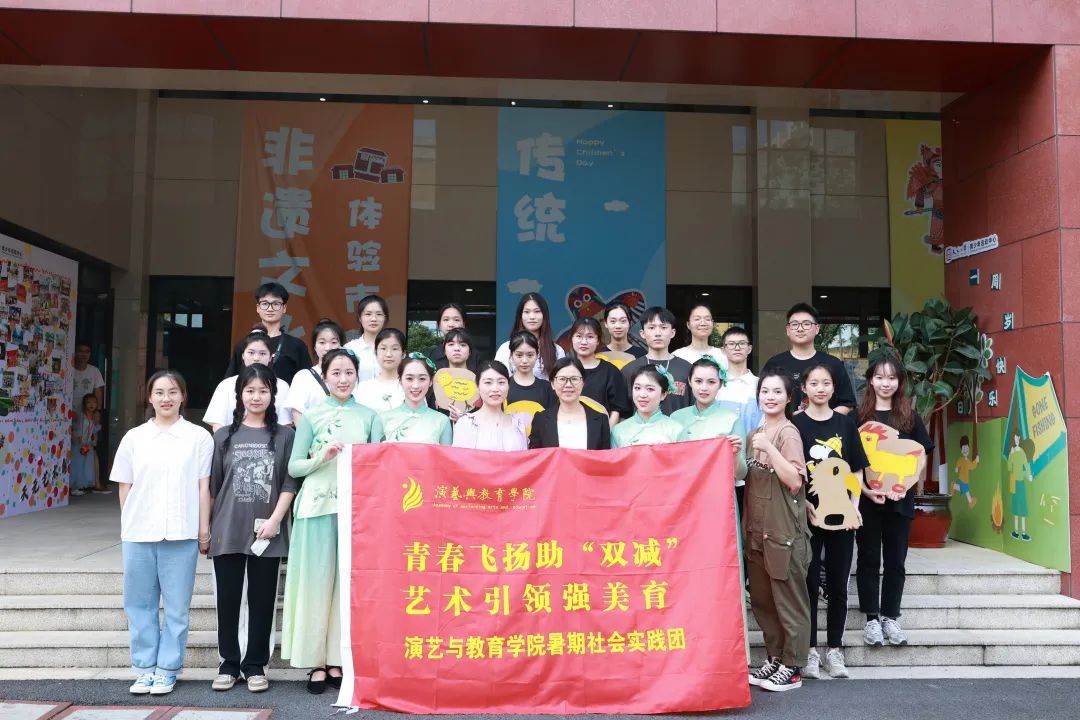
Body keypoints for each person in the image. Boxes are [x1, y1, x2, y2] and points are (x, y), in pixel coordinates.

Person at [282, 348, 384, 695]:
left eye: (349, 373)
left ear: (357, 376)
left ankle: (338, 658)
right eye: (336, 373)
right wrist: (321, 458)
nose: (343, 379)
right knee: (315, 585)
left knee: (346, 586)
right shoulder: (311, 417)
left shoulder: (370, 417)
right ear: (324, 377)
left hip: (355, 511)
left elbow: (379, 463)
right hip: (315, 508)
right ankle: (316, 661)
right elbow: (294, 466)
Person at [110, 370, 214, 696]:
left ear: (183, 396)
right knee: (139, 604)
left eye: (172, 392)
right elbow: (124, 486)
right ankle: (144, 668)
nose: (166, 398)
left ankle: (168, 669)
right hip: (139, 533)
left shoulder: (199, 438)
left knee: (177, 608)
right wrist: (130, 524)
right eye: (159, 392)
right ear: (149, 397)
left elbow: (204, 488)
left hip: (181, 533)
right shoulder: (134, 438)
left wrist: (203, 530)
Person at [208, 364, 297, 693]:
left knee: (262, 602)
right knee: (228, 601)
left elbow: (290, 482)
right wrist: (206, 530)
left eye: (263, 390)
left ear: (273, 394)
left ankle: (256, 665)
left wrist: (275, 520)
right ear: (239, 394)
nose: (256, 397)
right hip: (228, 530)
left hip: (268, 532)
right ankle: (228, 664)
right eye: (250, 390)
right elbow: (214, 487)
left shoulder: (285, 436)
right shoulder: (223, 437)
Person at [791, 364, 868, 680]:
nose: (820, 388)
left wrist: (854, 506)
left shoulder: (845, 424)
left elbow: (857, 469)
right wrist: (805, 504)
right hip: (808, 517)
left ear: (834, 388)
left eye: (826, 383)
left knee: (838, 584)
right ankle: (809, 652)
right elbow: (794, 473)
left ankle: (834, 650)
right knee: (808, 584)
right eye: (814, 383)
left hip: (841, 516)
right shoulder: (795, 425)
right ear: (804, 388)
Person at [855, 354, 932, 649]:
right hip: (868, 501)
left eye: (891, 378)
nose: (885, 383)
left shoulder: (909, 416)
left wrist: (906, 485)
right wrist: (864, 490)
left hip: (900, 500)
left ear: (899, 382)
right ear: (870, 380)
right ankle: (871, 619)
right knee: (868, 559)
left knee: (896, 561)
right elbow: (852, 462)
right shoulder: (859, 417)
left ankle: (890, 617)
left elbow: (920, 456)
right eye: (879, 377)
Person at [745, 369, 811, 693]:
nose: (769, 397)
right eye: (765, 391)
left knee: (789, 601)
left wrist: (769, 449)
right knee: (763, 600)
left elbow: (795, 481)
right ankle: (774, 657)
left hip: (784, 533)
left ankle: (793, 665)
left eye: (777, 392)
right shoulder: (754, 434)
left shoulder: (788, 433)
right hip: (758, 531)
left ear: (788, 398)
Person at [671, 357, 747, 502]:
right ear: (689, 381)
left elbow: (741, 474)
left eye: (711, 382)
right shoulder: (676, 418)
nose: (704, 388)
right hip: (683, 496)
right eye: (698, 381)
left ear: (720, 384)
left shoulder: (732, 419)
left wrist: (736, 454)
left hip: (718, 497)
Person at [761, 303, 856, 414]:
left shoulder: (833, 363)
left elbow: (847, 404)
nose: (800, 329)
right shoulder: (775, 364)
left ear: (817, 329)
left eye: (806, 324)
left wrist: (820, 418)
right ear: (788, 330)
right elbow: (763, 400)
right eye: (795, 324)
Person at [205, 329, 292, 432]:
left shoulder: (282, 386)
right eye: (251, 353)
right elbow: (218, 425)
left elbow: (286, 426)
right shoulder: (226, 385)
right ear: (243, 355)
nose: (256, 358)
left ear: (270, 356)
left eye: (262, 353)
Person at [225, 282, 311, 384]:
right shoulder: (244, 344)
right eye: (265, 304)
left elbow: (307, 383)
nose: (270, 309)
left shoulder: (297, 346)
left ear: (284, 308)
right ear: (258, 308)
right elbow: (230, 382)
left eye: (276, 304)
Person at [620, 307, 692, 416]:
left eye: (663, 327)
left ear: (672, 333)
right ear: (642, 333)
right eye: (651, 327)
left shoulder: (687, 369)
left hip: (679, 427)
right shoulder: (629, 370)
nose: (658, 333)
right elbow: (623, 413)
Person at [529, 357, 611, 450]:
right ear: (552, 384)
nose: (568, 385)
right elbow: (535, 456)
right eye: (562, 379)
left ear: (583, 383)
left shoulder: (601, 420)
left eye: (574, 379)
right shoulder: (541, 420)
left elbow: (605, 457)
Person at [453, 360, 529, 451]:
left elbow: (524, 458)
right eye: (488, 382)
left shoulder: (518, 425)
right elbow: (460, 458)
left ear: (508, 386)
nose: (495, 389)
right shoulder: (466, 423)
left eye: (501, 382)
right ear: (477, 386)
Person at [570, 317, 631, 426]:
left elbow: (617, 410)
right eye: (579, 336)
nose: (584, 342)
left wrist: (606, 432)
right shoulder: (564, 370)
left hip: (603, 431)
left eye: (590, 337)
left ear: (598, 340)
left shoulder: (610, 371)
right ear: (572, 338)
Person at [380, 353, 454, 444]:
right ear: (400, 381)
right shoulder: (383, 419)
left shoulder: (442, 421)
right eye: (409, 378)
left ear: (431, 381)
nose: (415, 385)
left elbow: (446, 453)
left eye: (422, 379)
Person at [283, 319, 345, 424]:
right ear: (315, 347)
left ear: (342, 346)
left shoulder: (350, 375)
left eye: (334, 342)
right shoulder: (303, 377)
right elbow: (297, 415)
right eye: (322, 342)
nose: (328, 348)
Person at [494, 292, 565, 381]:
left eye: (537, 311)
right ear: (520, 316)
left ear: (544, 315)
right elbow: (498, 380)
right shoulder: (505, 348)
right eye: (527, 312)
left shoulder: (557, 351)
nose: (532, 317)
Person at [611, 365, 683, 448]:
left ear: (663, 394)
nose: (642, 395)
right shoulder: (618, 430)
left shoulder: (676, 430)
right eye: (637, 388)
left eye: (650, 389)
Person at [72, 341, 110, 493]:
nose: (83, 354)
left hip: (88, 417)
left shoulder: (94, 371)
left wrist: (97, 411)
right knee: (73, 450)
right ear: (75, 352)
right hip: (70, 416)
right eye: (80, 351)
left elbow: (98, 392)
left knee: (90, 449)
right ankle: (73, 484)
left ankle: (95, 483)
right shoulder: (68, 369)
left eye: (86, 351)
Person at [717, 326, 762, 433]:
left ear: (749, 349)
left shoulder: (760, 384)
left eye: (742, 343)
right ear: (723, 350)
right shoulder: (716, 384)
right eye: (731, 344)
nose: (737, 348)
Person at [506, 331, 557, 419]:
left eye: (530, 355)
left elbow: (552, 419)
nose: (524, 360)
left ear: (537, 355)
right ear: (511, 356)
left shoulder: (547, 388)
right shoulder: (503, 386)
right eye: (519, 355)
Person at [353, 328, 405, 412]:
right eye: (383, 348)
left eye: (394, 349)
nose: (388, 354)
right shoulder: (364, 388)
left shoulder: (412, 387)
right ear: (375, 352)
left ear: (403, 353)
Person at [342, 294, 388, 383]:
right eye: (368, 314)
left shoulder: (394, 348)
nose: (373, 319)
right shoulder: (349, 349)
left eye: (379, 314)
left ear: (385, 318)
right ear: (360, 318)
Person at [672, 304, 729, 368]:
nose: (703, 323)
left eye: (707, 319)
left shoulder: (722, 355)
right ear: (688, 324)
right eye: (697, 319)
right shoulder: (677, 356)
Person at [429, 303, 481, 372]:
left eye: (456, 320)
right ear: (439, 325)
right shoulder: (432, 355)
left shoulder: (475, 355)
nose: (451, 324)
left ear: (464, 324)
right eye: (446, 320)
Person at [70, 393, 101, 496]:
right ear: (84, 404)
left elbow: (94, 431)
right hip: (78, 444)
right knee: (77, 465)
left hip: (87, 445)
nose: (91, 405)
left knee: (85, 466)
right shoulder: (80, 416)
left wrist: (94, 440)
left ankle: (81, 486)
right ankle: (74, 487)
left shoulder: (94, 417)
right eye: (89, 402)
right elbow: (72, 427)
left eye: (94, 402)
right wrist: (74, 437)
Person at [1007, 433, 1033, 541]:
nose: (1016, 440)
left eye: (1017, 438)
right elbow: (1009, 468)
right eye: (1014, 438)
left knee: (1022, 506)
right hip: (1014, 483)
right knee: (1015, 507)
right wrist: (1010, 455)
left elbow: (1026, 465)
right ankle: (1016, 532)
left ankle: (1024, 532)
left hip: (1020, 482)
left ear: (1019, 438)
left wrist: (1029, 475)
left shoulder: (1022, 452)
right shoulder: (1012, 453)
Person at [953, 435, 979, 508]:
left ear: (969, 449)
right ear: (961, 450)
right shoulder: (962, 460)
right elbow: (960, 463)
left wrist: (976, 461)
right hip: (962, 479)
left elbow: (971, 466)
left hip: (964, 479)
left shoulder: (967, 460)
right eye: (964, 449)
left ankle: (954, 486)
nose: (965, 451)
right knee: (966, 491)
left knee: (963, 489)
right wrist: (956, 468)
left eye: (967, 448)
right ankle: (970, 502)